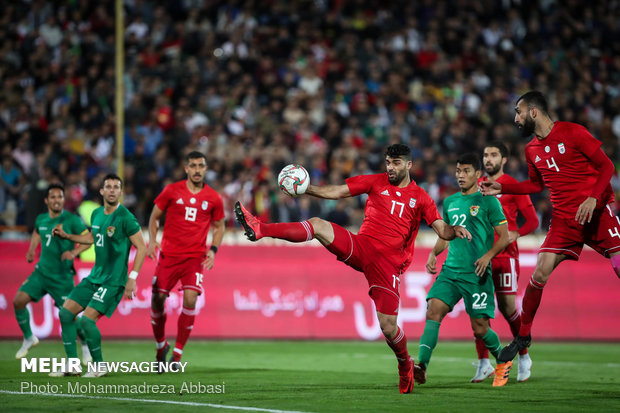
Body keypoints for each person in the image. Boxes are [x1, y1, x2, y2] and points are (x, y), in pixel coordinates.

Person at [234, 144, 471, 394]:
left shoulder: (421, 198)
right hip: (362, 246)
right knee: (318, 225)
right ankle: (261, 228)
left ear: (409, 165)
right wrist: (306, 189)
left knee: (388, 326)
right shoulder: (374, 182)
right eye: (388, 162)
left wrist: (453, 230)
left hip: (388, 264)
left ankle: (405, 364)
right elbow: (337, 192)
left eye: (396, 163)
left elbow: (441, 229)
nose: (390, 168)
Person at [480, 90, 620, 365]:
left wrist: (593, 198)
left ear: (534, 111)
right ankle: (523, 336)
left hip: (598, 211)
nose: (516, 119)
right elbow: (536, 185)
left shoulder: (573, 132)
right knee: (540, 273)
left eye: (519, 113)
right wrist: (504, 186)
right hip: (565, 220)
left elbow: (607, 166)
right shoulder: (531, 149)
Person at [417, 153, 511, 387]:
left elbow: (504, 237)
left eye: (466, 171)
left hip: (476, 274)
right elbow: (447, 235)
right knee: (433, 310)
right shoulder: (450, 202)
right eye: (458, 170)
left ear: (478, 174)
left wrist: (487, 257)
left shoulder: (489, 201)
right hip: (451, 271)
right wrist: (433, 253)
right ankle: (421, 366)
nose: (460, 175)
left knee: (480, 328)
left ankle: (502, 360)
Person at [51, 173, 147, 377]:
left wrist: (133, 277)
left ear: (121, 192)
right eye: (108, 186)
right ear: (102, 191)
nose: (112, 190)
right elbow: (92, 237)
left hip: (113, 280)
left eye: (116, 187)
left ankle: (99, 366)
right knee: (66, 313)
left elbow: (141, 247)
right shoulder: (96, 214)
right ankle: (73, 364)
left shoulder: (126, 218)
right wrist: (68, 236)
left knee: (86, 321)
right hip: (95, 277)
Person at [148, 151, 225, 368]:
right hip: (169, 256)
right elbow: (154, 216)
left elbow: (220, 226)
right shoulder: (171, 191)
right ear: (186, 169)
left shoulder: (213, 198)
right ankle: (161, 345)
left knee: (190, 299)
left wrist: (213, 250)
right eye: (193, 166)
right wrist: (153, 240)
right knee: (158, 299)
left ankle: (178, 354)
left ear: (206, 169)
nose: (197, 170)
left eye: (201, 166)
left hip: (194, 258)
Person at [470, 142, 539, 383]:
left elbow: (532, 221)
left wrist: (516, 233)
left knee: (508, 309)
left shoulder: (514, 187)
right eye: (485, 155)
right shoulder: (477, 187)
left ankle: (523, 355)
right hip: (481, 257)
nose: (488, 159)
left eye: (493, 155)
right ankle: (483, 363)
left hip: (506, 256)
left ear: (504, 159)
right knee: (479, 311)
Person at [13, 183, 91, 361]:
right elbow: (37, 232)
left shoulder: (72, 220)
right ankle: (28, 338)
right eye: (53, 197)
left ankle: (85, 345)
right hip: (41, 274)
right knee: (18, 301)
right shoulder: (41, 219)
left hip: (62, 278)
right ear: (47, 200)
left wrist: (74, 253)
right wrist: (32, 249)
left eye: (60, 197)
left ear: (64, 200)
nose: (57, 200)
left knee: (69, 317)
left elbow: (89, 239)